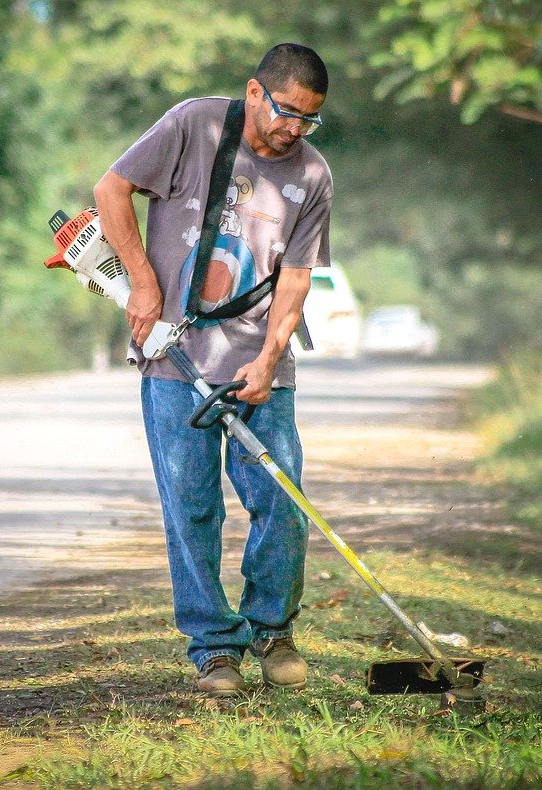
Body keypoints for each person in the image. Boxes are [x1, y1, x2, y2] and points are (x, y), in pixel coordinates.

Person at [93, 43, 333, 695]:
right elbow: (110, 189)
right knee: (191, 508)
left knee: (281, 501)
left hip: (260, 365)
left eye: (310, 119)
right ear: (256, 92)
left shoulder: (312, 174)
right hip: (174, 357)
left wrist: (268, 357)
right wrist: (143, 281)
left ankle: (272, 630)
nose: (294, 129)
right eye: (287, 112)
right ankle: (214, 649)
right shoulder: (194, 124)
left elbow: (296, 278)